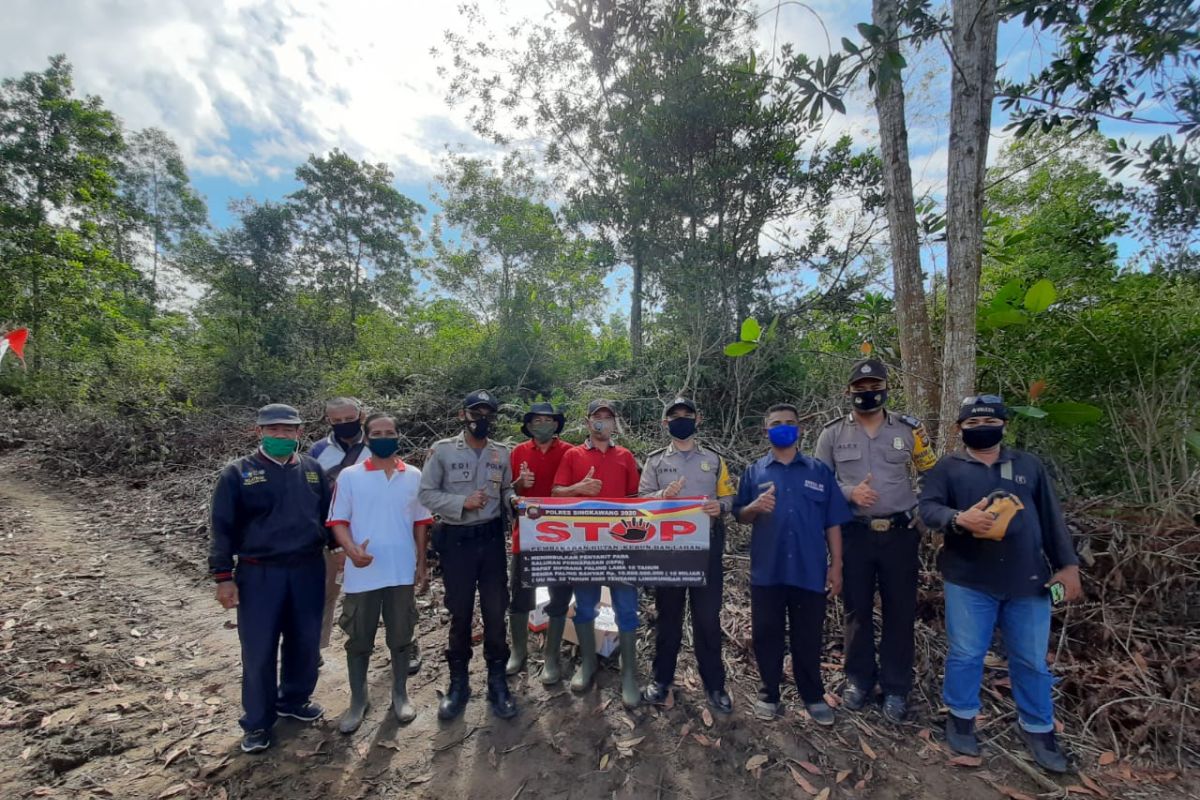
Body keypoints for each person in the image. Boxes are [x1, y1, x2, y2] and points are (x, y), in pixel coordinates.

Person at [919, 395, 1082, 774]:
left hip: (1029, 581)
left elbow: (1051, 518)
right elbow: (926, 508)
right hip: (969, 579)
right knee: (966, 653)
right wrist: (959, 519)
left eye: (989, 422)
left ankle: (1039, 729)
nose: (981, 429)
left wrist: (1068, 566)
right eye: (972, 425)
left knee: (1030, 659)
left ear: (1004, 425)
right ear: (959, 430)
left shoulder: (1028, 466)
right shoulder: (948, 468)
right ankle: (960, 719)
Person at [814, 359, 937, 722]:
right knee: (857, 611)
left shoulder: (909, 430)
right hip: (855, 535)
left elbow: (933, 472)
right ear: (848, 391)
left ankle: (896, 689)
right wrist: (849, 492)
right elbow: (818, 482)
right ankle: (859, 681)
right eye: (860, 386)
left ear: (886, 388)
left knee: (900, 613)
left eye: (874, 385)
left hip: (901, 534)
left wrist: (924, 511)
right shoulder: (832, 434)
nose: (868, 392)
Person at [208, 404, 332, 754]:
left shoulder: (312, 470)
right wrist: (223, 577)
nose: (281, 436)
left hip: (308, 569)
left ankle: (294, 699)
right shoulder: (238, 473)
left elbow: (326, 518)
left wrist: (343, 549)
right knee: (260, 650)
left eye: (288, 430)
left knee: (305, 641)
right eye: (273, 429)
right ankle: (258, 722)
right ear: (259, 432)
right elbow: (222, 529)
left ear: (299, 432)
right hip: (260, 573)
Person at [733, 403, 851, 726]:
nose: (782, 427)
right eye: (776, 423)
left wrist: (836, 565)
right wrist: (754, 507)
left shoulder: (819, 472)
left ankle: (812, 695)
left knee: (809, 636)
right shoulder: (754, 472)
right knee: (767, 634)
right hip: (767, 571)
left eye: (789, 422)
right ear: (765, 430)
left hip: (809, 571)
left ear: (800, 429)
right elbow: (740, 515)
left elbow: (833, 523)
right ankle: (769, 693)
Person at [326, 412, 433, 733]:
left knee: (401, 637)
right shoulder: (350, 476)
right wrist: (350, 549)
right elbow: (338, 521)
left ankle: (400, 695)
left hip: (401, 571)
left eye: (390, 431)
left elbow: (420, 524)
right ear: (367, 437)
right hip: (363, 573)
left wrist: (422, 565)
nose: (384, 436)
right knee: (358, 638)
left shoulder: (413, 475)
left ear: (398, 436)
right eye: (377, 432)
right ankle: (359, 701)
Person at [418, 390, 519, 720]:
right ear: (463, 415)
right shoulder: (444, 451)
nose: (482, 419)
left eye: (488, 413)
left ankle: (497, 680)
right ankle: (458, 683)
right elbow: (427, 493)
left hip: (490, 541)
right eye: (476, 413)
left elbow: (505, 490)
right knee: (460, 612)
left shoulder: (501, 452)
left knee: (495, 610)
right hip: (457, 542)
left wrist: (514, 500)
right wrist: (461, 503)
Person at [638, 398, 736, 713]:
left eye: (687, 415)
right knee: (668, 618)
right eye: (674, 416)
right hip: (668, 550)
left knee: (707, 619)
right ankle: (661, 679)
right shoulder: (655, 462)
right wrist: (660, 496)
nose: (681, 419)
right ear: (665, 424)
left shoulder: (714, 460)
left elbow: (729, 496)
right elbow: (641, 501)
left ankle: (714, 684)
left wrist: (719, 507)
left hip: (706, 547)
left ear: (698, 419)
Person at [552, 399, 642, 707]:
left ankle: (629, 671)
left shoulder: (626, 456)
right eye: (597, 417)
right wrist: (578, 488)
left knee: (627, 608)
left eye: (608, 417)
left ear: (615, 423)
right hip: (584, 544)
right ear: (588, 422)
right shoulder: (572, 455)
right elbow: (555, 493)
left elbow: (635, 501)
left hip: (621, 544)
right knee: (586, 605)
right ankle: (588, 662)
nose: (602, 422)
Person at [505, 402, 574, 683]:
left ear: (556, 424)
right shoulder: (518, 452)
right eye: (537, 420)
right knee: (521, 595)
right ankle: (518, 652)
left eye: (548, 419)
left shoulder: (571, 452)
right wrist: (520, 484)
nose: (542, 424)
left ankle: (551, 657)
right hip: (527, 536)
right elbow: (509, 491)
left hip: (562, 537)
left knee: (559, 596)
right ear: (529, 425)